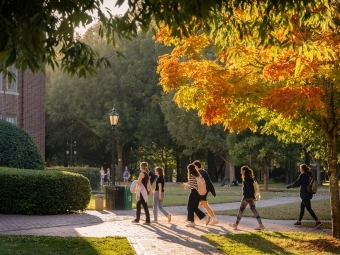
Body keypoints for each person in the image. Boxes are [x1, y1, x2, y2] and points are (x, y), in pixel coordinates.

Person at [229, 165, 265, 230]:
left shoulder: (246, 179)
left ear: (244, 171)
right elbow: (252, 188)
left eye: (241, 170)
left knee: (241, 210)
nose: (240, 172)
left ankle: (236, 225)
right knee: (254, 210)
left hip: (247, 197)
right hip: (251, 197)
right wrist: (253, 197)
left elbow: (249, 188)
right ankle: (261, 225)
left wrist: (252, 196)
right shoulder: (250, 178)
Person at [287, 164, 322, 228]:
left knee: (309, 208)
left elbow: (297, 184)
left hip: (305, 194)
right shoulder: (309, 174)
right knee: (302, 208)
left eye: (300, 168)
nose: (300, 169)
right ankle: (299, 222)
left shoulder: (303, 175)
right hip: (308, 193)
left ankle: (317, 221)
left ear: (302, 169)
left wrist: (289, 186)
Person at [184, 163, 210, 227]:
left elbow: (191, 186)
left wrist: (185, 187)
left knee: (190, 207)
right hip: (199, 193)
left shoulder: (192, 176)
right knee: (195, 207)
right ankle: (205, 217)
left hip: (194, 193)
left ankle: (192, 222)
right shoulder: (198, 175)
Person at [193, 160, 218, 225]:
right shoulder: (204, 172)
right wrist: (213, 192)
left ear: (196, 166)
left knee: (197, 205)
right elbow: (209, 182)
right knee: (204, 205)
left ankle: (193, 221)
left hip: (201, 191)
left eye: (194, 166)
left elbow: (198, 183)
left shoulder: (198, 172)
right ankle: (214, 219)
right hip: (205, 191)